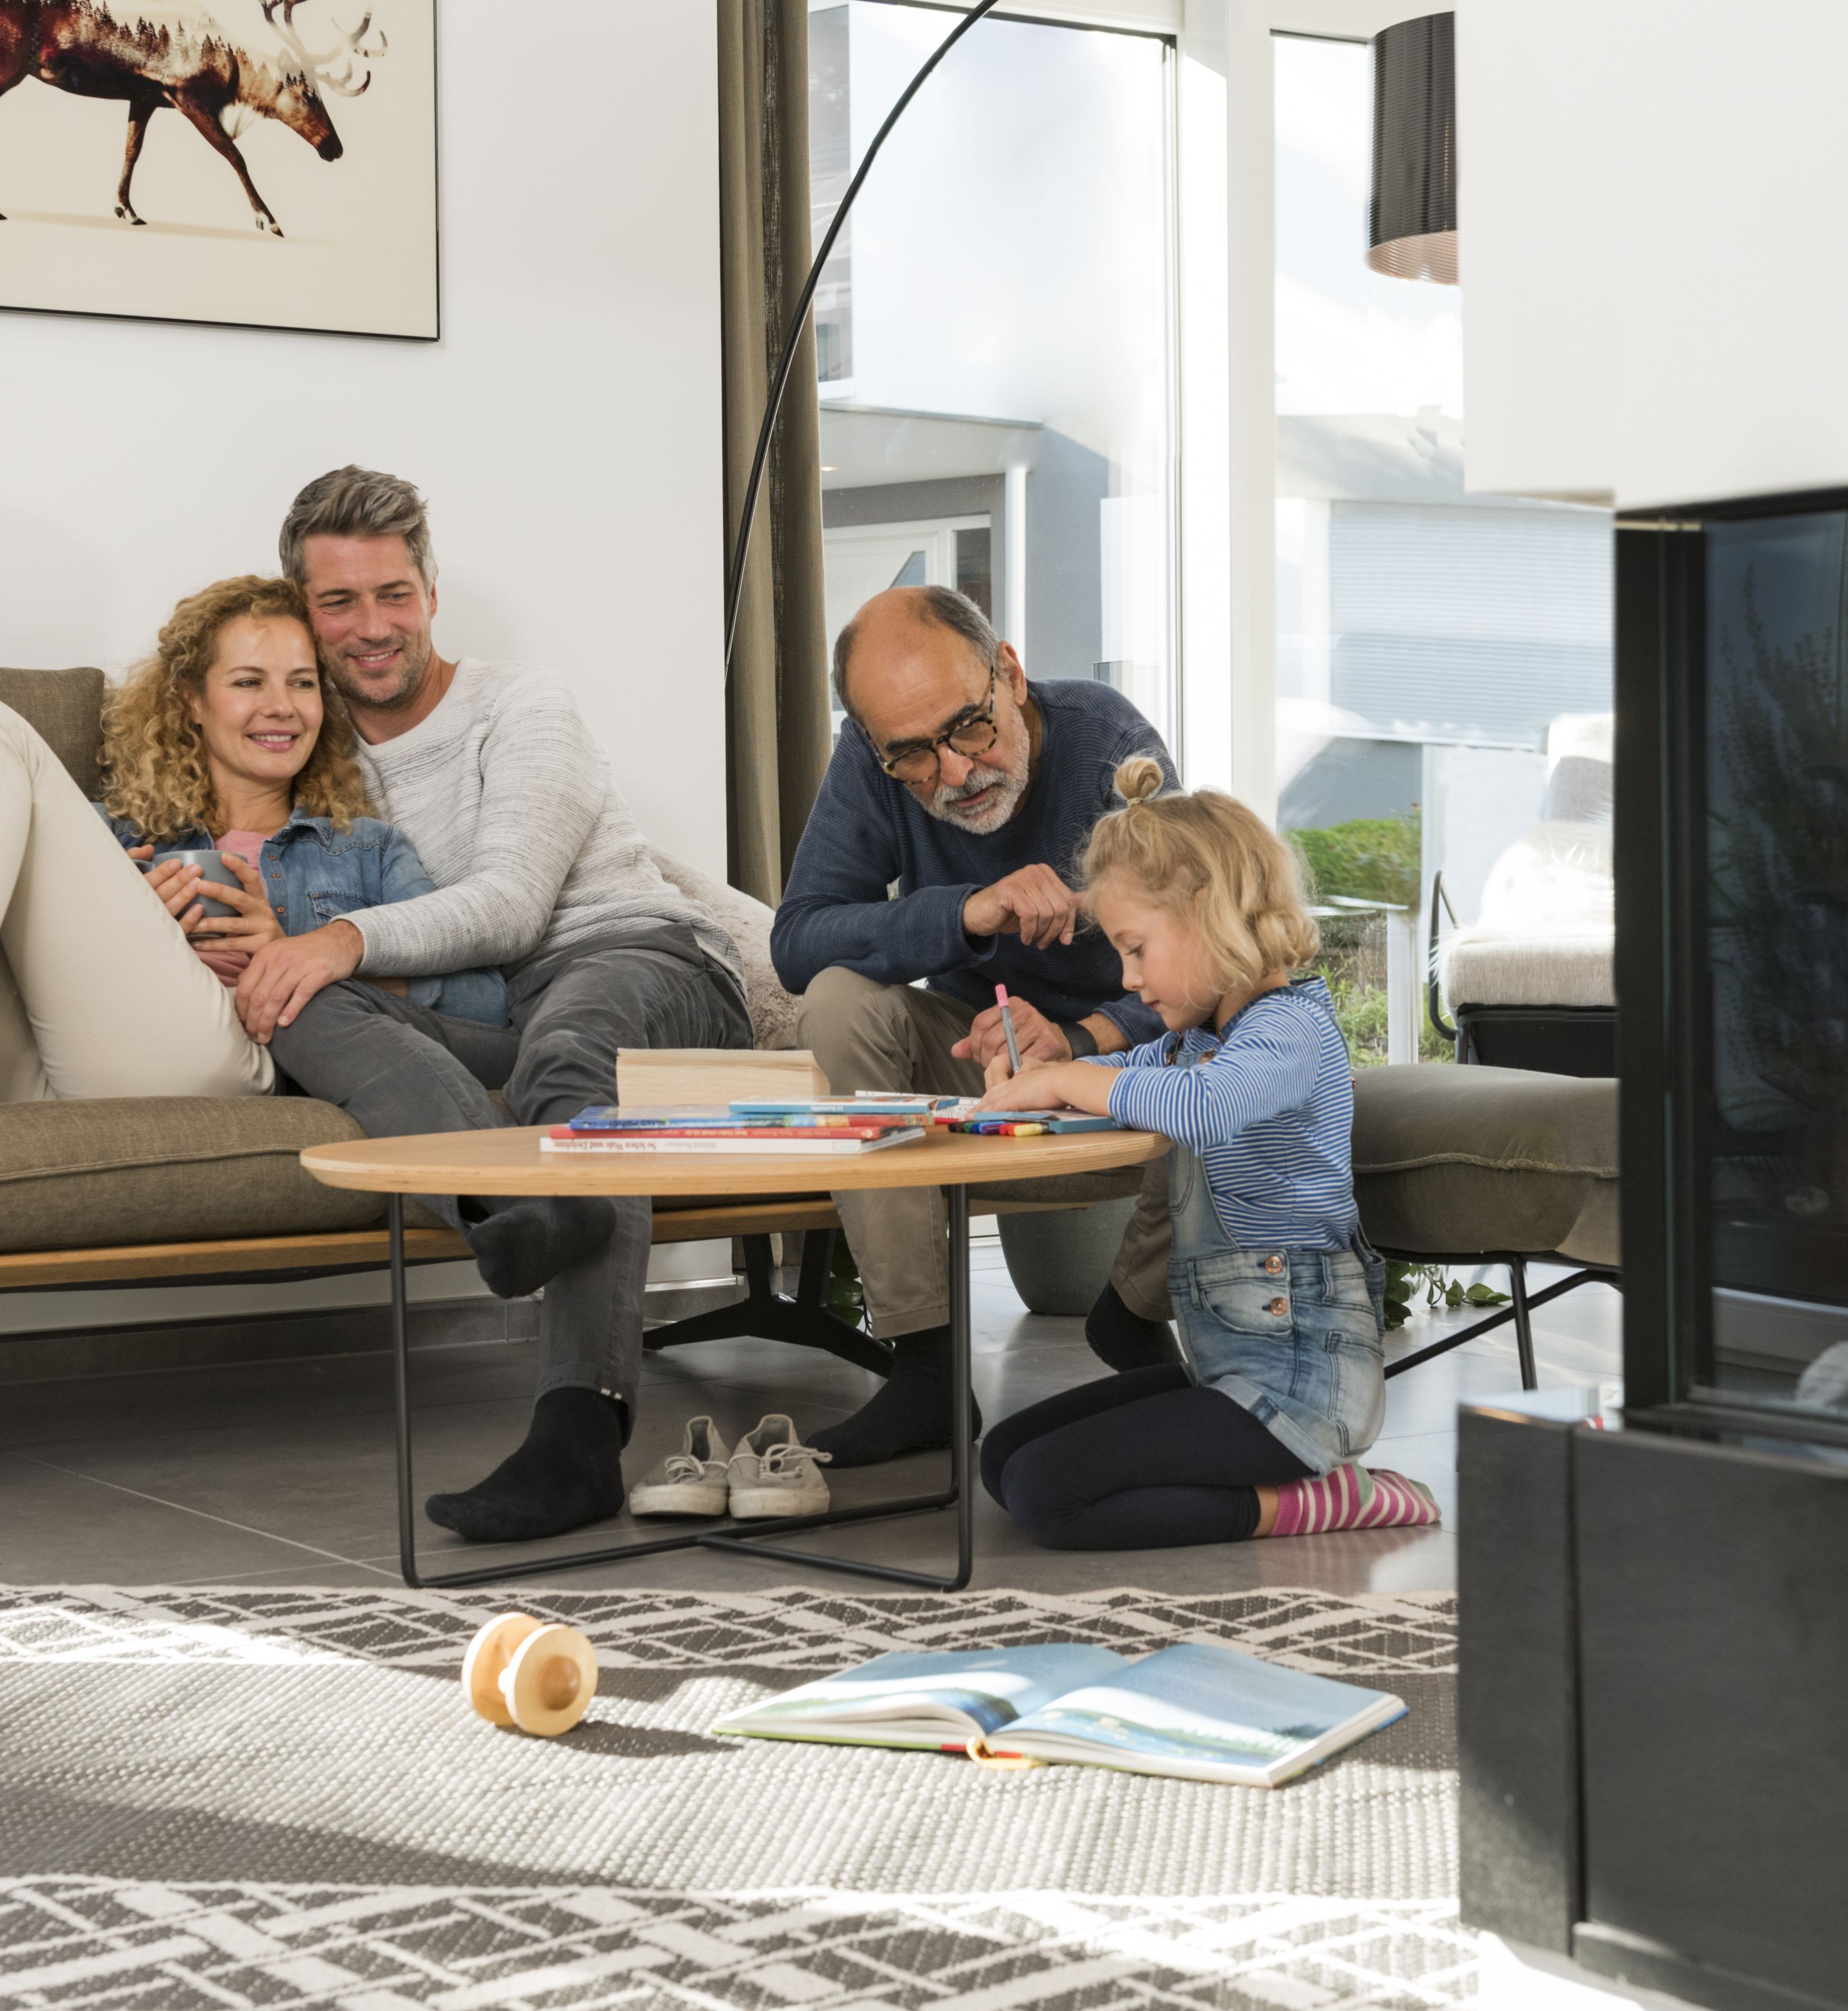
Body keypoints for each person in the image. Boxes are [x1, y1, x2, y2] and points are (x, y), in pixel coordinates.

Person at [221, 466, 754, 1544]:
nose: (371, 628)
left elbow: (512, 909)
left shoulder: (520, 705)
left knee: (569, 1050)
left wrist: (337, 939)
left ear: (429, 590)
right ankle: (514, 1216)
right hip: (495, 1013)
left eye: (393, 595)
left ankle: (579, 1434)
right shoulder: (313, 748)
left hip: (643, 968)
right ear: (305, 613)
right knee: (295, 1006)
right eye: (338, 603)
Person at [0, 576, 498, 1193]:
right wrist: (119, 926)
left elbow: (484, 1000)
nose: (282, 706)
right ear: (192, 699)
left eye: (302, 683)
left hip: (220, 1065)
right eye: (249, 681)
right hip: (41, 1060)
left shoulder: (363, 848)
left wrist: (304, 953)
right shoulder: (106, 834)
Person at [963, 758, 1441, 1549]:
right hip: (1232, 1373)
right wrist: (1040, 1081)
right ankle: (1253, 1473)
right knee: (1005, 1458)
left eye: (1137, 948)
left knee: (1048, 1495)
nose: (1128, 979)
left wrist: (1072, 1078)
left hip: (1301, 1393)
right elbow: (1124, 1075)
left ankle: (1321, 1499)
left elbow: (1208, 1108)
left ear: (1209, 915)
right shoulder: (1195, 1042)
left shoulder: (1287, 1031)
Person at [768, 586, 1178, 1468]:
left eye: (970, 728)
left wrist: (1081, 1038)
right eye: (913, 755)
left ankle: (1137, 1310)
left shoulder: (1112, 747)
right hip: (981, 1050)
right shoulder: (873, 761)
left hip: (1125, 1052)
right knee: (839, 999)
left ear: (1010, 673)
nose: (954, 772)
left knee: (1242, 1039)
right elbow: (797, 939)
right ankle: (924, 1366)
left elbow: (1200, 963)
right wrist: (965, 912)